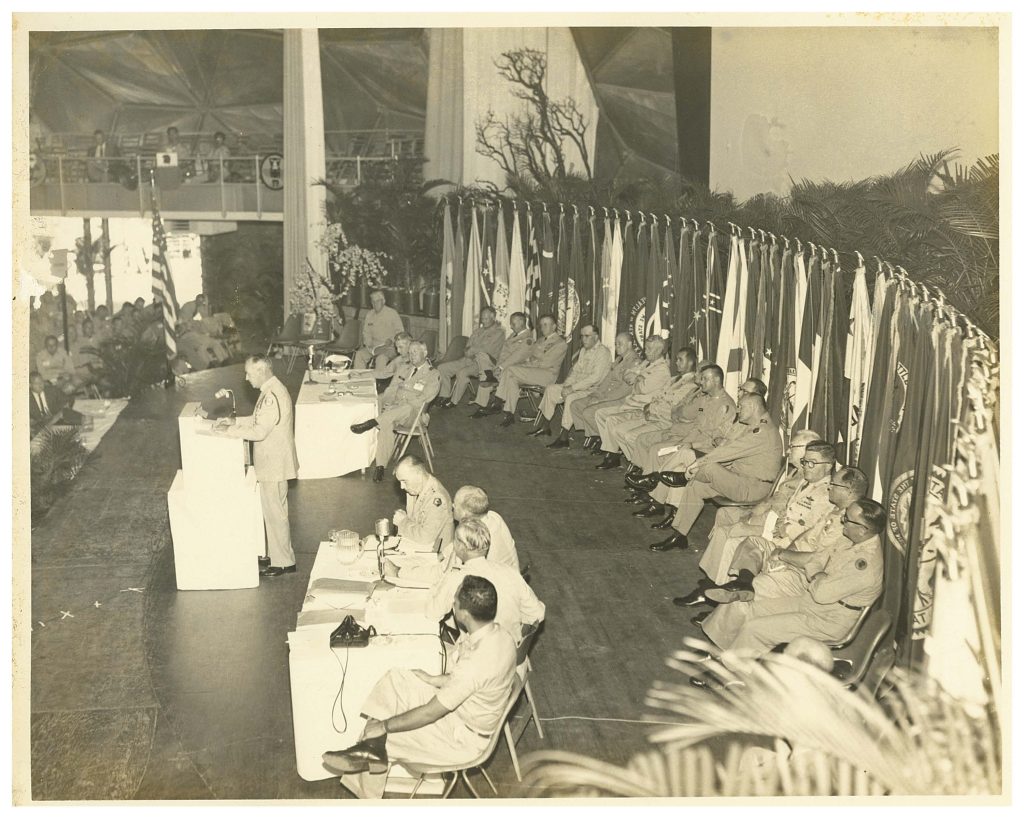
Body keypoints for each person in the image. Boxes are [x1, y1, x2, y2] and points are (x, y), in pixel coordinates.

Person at [321, 575, 517, 799]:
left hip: (462, 739)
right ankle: (369, 748)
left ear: (464, 614)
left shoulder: (476, 663)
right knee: (398, 679)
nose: (452, 603)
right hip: (462, 715)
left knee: (385, 739)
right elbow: (473, 683)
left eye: (454, 601)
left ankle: (369, 784)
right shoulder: (501, 636)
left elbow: (430, 712)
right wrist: (435, 679)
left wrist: (385, 726)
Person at [697, 498, 886, 673]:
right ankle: (723, 656)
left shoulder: (864, 564)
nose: (842, 521)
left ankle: (729, 674)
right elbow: (816, 560)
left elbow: (821, 592)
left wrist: (815, 571)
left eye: (848, 519)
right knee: (750, 608)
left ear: (863, 529)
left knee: (755, 629)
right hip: (811, 603)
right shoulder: (848, 539)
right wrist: (818, 572)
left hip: (828, 620)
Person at [703, 466, 870, 605]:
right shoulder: (836, 511)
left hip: (800, 567)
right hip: (790, 550)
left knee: (758, 584)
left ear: (848, 491)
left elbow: (819, 559)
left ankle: (733, 600)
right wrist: (784, 550)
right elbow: (806, 535)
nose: (829, 487)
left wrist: (784, 557)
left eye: (834, 484)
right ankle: (740, 584)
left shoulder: (849, 526)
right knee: (751, 542)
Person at [646, 393, 784, 553]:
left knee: (709, 467)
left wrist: (699, 462)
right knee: (696, 486)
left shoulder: (762, 432)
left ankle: (682, 476)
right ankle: (679, 535)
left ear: (753, 407)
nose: (738, 410)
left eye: (741, 406)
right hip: (738, 480)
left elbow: (729, 451)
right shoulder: (752, 427)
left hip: (752, 488)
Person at [213, 355, 299, 577]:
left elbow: (260, 432)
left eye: (249, 373)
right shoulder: (271, 391)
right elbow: (257, 419)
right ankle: (278, 556)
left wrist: (230, 432)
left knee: (275, 513)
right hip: (274, 462)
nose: (246, 378)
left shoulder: (272, 396)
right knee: (273, 512)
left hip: (273, 464)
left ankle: (283, 563)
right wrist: (235, 422)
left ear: (261, 371)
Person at [425, 519, 544, 645]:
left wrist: (446, 575)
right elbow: (538, 613)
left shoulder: (456, 578)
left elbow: (432, 613)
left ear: (460, 546)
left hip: (478, 656)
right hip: (512, 654)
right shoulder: (510, 571)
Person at [595, 347, 700, 470]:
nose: (676, 362)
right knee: (618, 429)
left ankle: (644, 468)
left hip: (664, 421)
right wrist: (649, 407)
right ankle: (637, 462)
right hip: (651, 415)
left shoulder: (691, 385)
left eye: (680, 360)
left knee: (630, 436)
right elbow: (658, 396)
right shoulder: (674, 379)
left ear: (691, 363)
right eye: (676, 359)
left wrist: (652, 409)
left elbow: (673, 408)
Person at [350, 341, 440, 482]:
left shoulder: (432, 374)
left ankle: (373, 422)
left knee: (407, 407)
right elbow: (392, 389)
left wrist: (399, 406)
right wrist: (388, 403)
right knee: (387, 423)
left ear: (425, 353)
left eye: (415, 352)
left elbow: (424, 399)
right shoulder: (404, 368)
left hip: (414, 415)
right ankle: (380, 467)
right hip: (395, 412)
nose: (412, 355)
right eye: (410, 352)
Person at [590, 336, 673, 469]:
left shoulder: (662, 370)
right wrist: (637, 378)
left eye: (649, 349)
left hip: (640, 408)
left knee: (611, 420)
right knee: (600, 414)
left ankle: (626, 459)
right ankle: (613, 452)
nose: (646, 351)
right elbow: (627, 376)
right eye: (646, 347)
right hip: (631, 403)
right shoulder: (647, 363)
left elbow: (642, 388)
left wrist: (637, 377)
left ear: (659, 351)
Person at [477, 314, 567, 427]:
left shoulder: (560, 343)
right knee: (511, 377)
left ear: (554, 327)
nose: (543, 327)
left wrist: (529, 363)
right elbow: (531, 357)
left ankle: (498, 402)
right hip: (535, 371)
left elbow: (545, 363)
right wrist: (531, 361)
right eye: (541, 325)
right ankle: (509, 414)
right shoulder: (539, 340)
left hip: (547, 375)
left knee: (510, 370)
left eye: (546, 325)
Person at [531, 324, 612, 443]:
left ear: (596, 337)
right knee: (551, 389)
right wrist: (566, 386)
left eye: (587, 336)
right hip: (578, 387)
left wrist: (572, 389)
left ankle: (564, 436)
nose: (583, 339)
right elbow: (575, 372)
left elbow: (594, 378)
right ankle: (545, 426)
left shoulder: (603, 352)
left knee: (570, 398)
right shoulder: (584, 350)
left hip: (592, 390)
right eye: (582, 336)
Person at [569, 333, 641, 448]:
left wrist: (602, 399)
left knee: (588, 412)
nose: (617, 346)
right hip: (606, 395)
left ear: (629, 344)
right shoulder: (618, 360)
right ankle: (598, 436)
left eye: (620, 344)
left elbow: (624, 390)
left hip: (620, 400)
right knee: (576, 405)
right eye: (616, 344)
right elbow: (607, 380)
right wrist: (596, 394)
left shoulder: (635, 362)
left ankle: (610, 441)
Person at [434, 306, 506, 408]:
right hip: (468, 359)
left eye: (486, 319)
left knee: (462, 373)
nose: (483, 321)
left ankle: (453, 401)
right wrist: (470, 352)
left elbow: (486, 350)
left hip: (483, 364)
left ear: (493, 317)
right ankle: (444, 396)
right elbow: (467, 347)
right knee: (442, 368)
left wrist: (472, 350)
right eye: (482, 319)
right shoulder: (478, 331)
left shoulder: (499, 332)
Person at [469, 312, 534, 413]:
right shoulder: (513, 335)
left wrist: (500, 367)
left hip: (513, 368)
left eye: (513, 323)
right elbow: (503, 353)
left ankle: (486, 403)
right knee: (482, 356)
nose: (511, 326)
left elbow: (517, 357)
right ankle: (490, 383)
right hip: (501, 365)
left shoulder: (528, 338)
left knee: (486, 375)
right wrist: (497, 366)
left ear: (521, 322)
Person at [389, 455, 453, 552]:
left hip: (435, 553)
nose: (402, 487)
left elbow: (425, 538)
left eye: (404, 481)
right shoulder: (414, 489)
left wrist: (402, 522)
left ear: (419, 474)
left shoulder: (437, 499)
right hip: (419, 546)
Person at [451, 486, 520, 572]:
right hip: (511, 573)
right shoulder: (493, 516)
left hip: (494, 579)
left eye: (455, 504)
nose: (452, 505)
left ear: (464, 513)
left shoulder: (478, 536)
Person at [353, 290, 406, 372]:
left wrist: (392, 341)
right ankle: (359, 380)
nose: (375, 304)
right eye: (373, 302)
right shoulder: (369, 314)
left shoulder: (392, 313)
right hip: (373, 347)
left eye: (377, 301)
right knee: (359, 355)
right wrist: (368, 343)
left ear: (383, 301)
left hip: (389, 347)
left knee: (381, 359)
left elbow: (400, 333)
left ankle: (378, 381)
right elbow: (366, 332)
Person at [29, 370, 80, 435]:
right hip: (39, 427)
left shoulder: (52, 390)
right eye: (36, 383)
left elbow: (67, 401)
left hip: (58, 421)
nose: (40, 385)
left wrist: (64, 408)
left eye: (41, 382)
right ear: (30, 385)